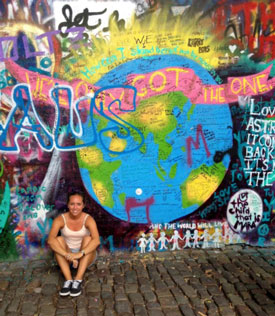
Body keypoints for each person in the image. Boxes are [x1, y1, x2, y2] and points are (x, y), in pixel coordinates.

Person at [47, 191, 100, 297]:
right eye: (72, 204)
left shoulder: (88, 219)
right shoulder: (60, 219)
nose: (75, 207)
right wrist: (68, 255)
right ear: (68, 204)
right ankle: (69, 281)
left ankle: (78, 280)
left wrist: (79, 254)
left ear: (83, 205)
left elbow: (96, 241)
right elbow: (51, 241)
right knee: (58, 240)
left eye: (78, 204)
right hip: (66, 256)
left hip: (85, 256)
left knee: (88, 239)